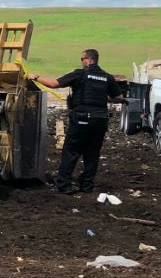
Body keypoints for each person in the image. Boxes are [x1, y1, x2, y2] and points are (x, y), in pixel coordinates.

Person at [28, 48, 125, 194]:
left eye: (82, 59)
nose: (81, 62)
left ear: (89, 60)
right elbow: (119, 97)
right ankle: (86, 186)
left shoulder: (80, 74)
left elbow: (53, 84)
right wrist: (101, 97)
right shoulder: (107, 77)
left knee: (71, 151)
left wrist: (35, 77)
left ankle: (64, 185)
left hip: (82, 119)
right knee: (92, 154)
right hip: (100, 121)